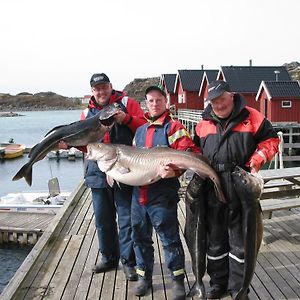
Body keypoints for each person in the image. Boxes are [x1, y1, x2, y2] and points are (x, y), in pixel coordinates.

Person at [193, 80, 279, 299]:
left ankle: (239, 287)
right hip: (213, 187)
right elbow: (194, 150)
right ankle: (217, 284)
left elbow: (271, 141)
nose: (218, 105)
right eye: (213, 101)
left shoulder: (253, 116)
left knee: (242, 242)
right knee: (215, 241)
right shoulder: (202, 123)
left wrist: (256, 161)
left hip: (241, 184)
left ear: (231, 95)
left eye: (221, 99)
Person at [131, 86, 200, 300]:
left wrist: (174, 171)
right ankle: (144, 277)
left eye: (158, 100)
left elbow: (189, 154)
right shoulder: (140, 131)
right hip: (138, 196)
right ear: (145, 104)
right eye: (150, 101)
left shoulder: (174, 127)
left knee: (169, 239)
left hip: (162, 195)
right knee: (140, 238)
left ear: (166, 102)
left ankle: (177, 279)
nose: (154, 104)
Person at [81, 73, 145, 280]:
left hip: (124, 167)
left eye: (104, 87)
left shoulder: (127, 103)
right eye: (96, 88)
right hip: (97, 170)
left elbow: (143, 127)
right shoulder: (86, 113)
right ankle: (109, 258)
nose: (101, 91)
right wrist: (68, 144)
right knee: (103, 219)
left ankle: (128, 261)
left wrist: (125, 119)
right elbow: (83, 144)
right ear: (92, 91)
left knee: (126, 218)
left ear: (110, 86)